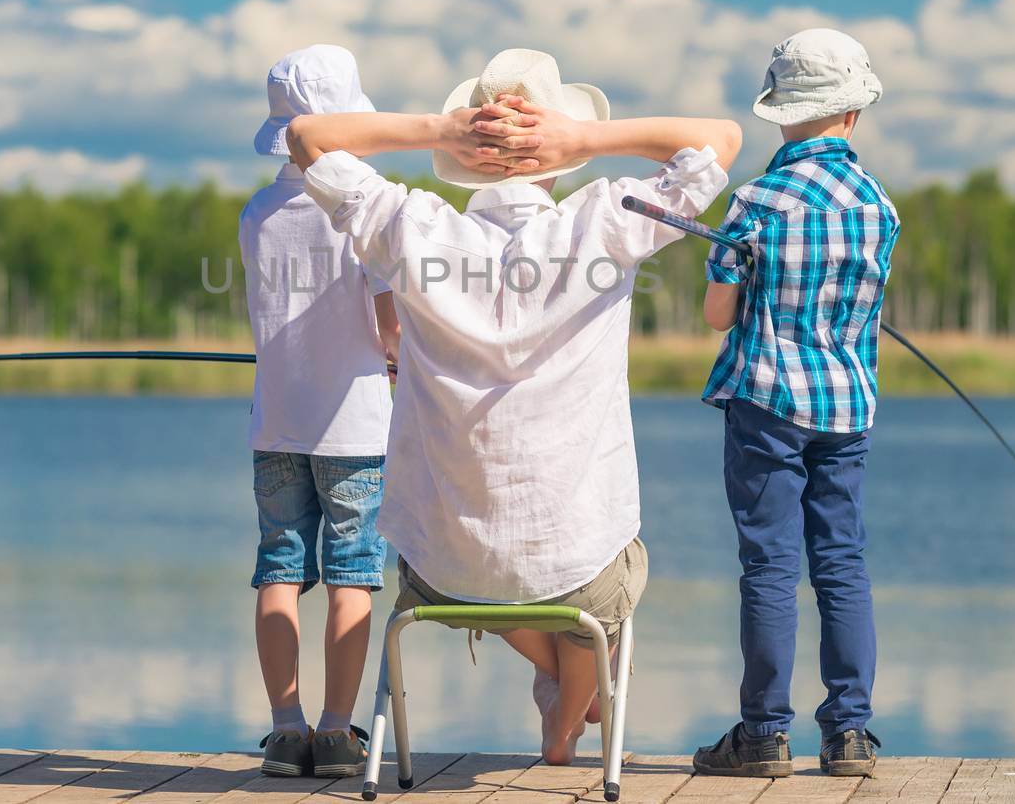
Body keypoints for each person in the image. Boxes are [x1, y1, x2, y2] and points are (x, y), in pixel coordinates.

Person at [287, 48, 741, 765]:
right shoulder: (606, 220)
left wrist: (441, 128)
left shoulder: (412, 225)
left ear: (467, 157)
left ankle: (557, 685)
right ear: (556, 154)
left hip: (441, 573)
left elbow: (307, 138)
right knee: (606, 576)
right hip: (577, 568)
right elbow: (721, 139)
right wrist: (585, 139)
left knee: (495, 558)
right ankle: (565, 713)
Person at [693, 28, 900, 779]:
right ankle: (849, 734)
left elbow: (718, 316)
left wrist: (744, 280)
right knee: (841, 563)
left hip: (766, 403)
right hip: (848, 407)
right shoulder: (879, 206)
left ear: (782, 114)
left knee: (770, 567)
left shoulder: (755, 200)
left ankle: (763, 734)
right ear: (851, 115)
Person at [240, 45, 401, 778]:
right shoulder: (360, 209)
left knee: (279, 568)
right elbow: (388, 323)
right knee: (352, 574)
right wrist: (396, 359)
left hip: (276, 421)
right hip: (356, 425)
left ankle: (283, 728)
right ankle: (337, 732)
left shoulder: (257, 214)